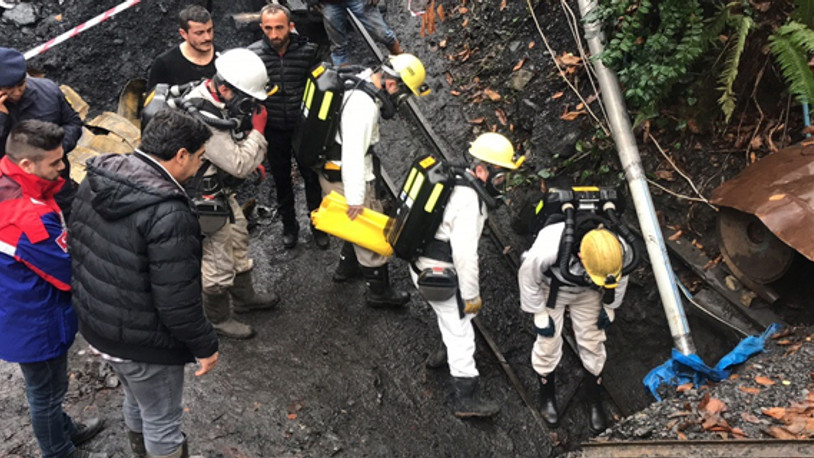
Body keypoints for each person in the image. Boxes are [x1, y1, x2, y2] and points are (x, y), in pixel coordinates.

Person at [70, 109, 219, 458]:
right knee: (163, 420)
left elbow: (78, 245)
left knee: (137, 398)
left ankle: (140, 451)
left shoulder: (97, 178)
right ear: (180, 155)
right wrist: (205, 345)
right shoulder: (169, 212)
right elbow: (177, 302)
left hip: (99, 328)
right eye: (199, 157)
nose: (199, 165)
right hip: (143, 343)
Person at [0, 120, 105, 458]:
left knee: (46, 388)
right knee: (46, 392)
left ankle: (63, 430)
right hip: (35, 320)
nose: (63, 167)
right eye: (55, 162)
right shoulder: (28, 219)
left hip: (15, 303)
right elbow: (65, 272)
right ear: (26, 164)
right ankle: (59, 451)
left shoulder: (9, 181)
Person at [414, 133, 523, 418]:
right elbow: (465, 257)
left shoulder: (459, 178)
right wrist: (471, 297)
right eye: (501, 177)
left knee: (449, 316)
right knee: (461, 329)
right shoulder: (469, 201)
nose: (503, 184)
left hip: (421, 259)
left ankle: (443, 352)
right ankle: (466, 398)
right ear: (483, 170)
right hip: (436, 270)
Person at [183, 48, 279, 339]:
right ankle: (218, 319)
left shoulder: (215, 101)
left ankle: (245, 298)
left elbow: (229, 147)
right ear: (225, 89)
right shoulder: (203, 117)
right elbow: (238, 164)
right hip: (205, 199)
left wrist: (249, 156)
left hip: (220, 188)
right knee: (217, 261)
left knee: (238, 238)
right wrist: (258, 134)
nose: (249, 107)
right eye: (246, 99)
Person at [321, 53, 429, 307]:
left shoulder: (361, 80)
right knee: (367, 229)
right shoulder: (364, 108)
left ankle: (347, 268)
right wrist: (356, 198)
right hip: (346, 174)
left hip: (334, 167)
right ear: (391, 83)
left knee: (352, 226)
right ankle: (378, 292)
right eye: (402, 94)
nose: (400, 101)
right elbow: (353, 156)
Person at [518, 219, 630, 433]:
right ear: (580, 255)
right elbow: (527, 277)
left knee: (593, 340)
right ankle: (547, 393)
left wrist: (610, 306)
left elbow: (620, 276)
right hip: (553, 289)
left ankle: (594, 397)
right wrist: (539, 312)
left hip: (589, 291)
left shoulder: (617, 248)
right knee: (548, 343)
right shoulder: (550, 246)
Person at [248, 4, 328, 250]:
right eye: (268, 28)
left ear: (290, 26)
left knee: (312, 178)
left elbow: (321, 88)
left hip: (303, 127)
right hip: (273, 128)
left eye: (279, 28)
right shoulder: (253, 56)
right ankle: (289, 226)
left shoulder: (308, 51)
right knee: (282, 180)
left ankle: (318, 225)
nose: (274, 34)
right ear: (262, 27)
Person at [0, 47, 83, 220]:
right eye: (8, 89)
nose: (17, 93)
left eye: (20, 85)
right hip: (11, 194)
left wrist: (54, 151)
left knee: (69, 221)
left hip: (55, 183)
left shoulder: (48, 91)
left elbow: (73, 122)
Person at [148, 5, 217, 89]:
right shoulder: (164, 64)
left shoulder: (225, 58)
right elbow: (154, 96)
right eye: (199, 33)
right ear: (183, 34)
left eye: (209, 30)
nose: (207, 37)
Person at [320, 0, 403, 66]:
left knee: (384, 35)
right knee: (339, 49)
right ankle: (346, 79)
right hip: (329, 3)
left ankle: (404, 65)